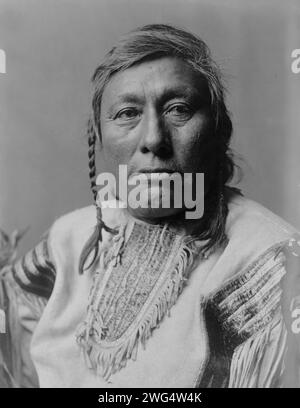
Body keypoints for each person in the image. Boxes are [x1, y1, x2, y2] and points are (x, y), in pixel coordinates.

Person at [1, 24, 300, 388]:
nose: (154, 139)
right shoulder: (68, 240)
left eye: (179, 109)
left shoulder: (272, 262)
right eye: (127, 113)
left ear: (220, 131)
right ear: (97, 138)